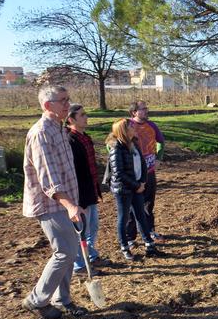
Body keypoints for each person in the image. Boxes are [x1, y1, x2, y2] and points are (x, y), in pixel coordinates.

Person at [21, 85, 88, 319]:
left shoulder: (58, 129)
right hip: (51, 204)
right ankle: (37, 300)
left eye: (68, 99)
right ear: (48, 105)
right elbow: (49, 179)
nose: (68, 104)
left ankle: (63, 300)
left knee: (69, 252)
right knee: (64, 252)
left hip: (66, 202)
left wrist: (74, 203)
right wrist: (70, 205)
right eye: (63, 101)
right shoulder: (42, 134)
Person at [107, 118, 159, 260]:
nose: (133, 127)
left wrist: (142, 182)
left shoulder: (134, 143)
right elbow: (118, 173)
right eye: (130, 126)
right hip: (123, 189)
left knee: (140, 215)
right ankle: (125, 247)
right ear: (123, 130)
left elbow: (142, 164)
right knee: (123, 217)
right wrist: (137, 186)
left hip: (137, 186)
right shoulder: (116, 148)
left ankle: (149, 245)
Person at [66, 104, 103, 275]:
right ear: (71, 119)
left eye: (85, 114)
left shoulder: (85, 137)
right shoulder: (70, 140)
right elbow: (72, 171)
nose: (86, 117)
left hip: (91, 190)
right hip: (80, 194)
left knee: (93, 227)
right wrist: (77, 198)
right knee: (82, 230)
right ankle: (79, 264)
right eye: (82, 115)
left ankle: (91, 255)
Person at [125, 100, 165, 245]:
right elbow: (111, 144)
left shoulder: (152, 125)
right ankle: (129, 237)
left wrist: (158, 158)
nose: (146, 111)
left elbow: (161, 142)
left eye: (146, 108)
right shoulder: (127, 125)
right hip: (133, 173)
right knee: (131, 205)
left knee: (148, 203)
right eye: (142, 109)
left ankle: (149, 231)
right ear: (134, 112)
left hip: (149, 171)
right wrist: (124, 161)